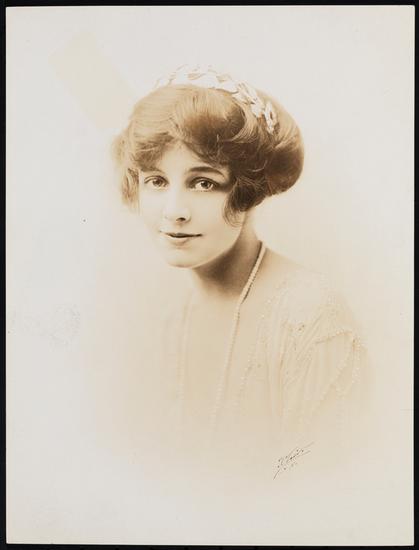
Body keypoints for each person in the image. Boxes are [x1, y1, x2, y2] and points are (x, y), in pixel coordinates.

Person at [112, 65, 370, 481]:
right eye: (156, 181)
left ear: (248, 190)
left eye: (203, 183)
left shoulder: (310, 317)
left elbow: (327, 491)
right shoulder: (169, 316)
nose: (174, 211)